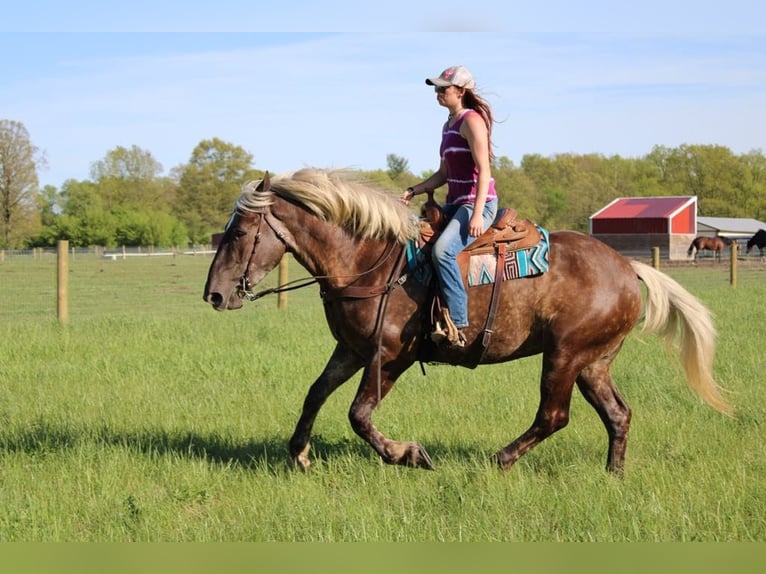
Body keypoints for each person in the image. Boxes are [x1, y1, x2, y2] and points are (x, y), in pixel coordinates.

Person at [401, 65, 498, 347]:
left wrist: (479, 213)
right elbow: (443, 174)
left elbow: (485, 171)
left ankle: (457, 322)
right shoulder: (448, 125)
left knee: (444, 251)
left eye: (444, 88)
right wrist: (413, 190)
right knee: (416, 245)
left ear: (461, 91)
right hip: (453, 203)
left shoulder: (472, 121)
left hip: (477, 204)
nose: (438, 93)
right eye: (436, 88)